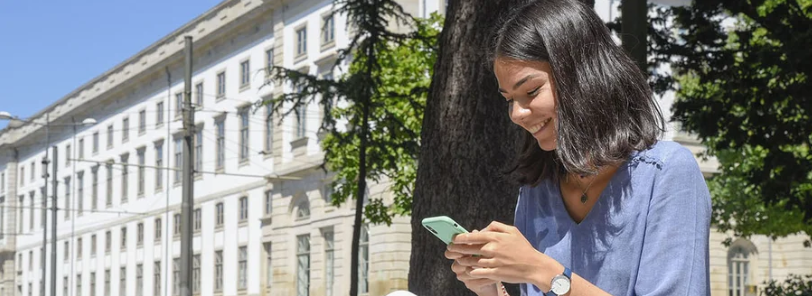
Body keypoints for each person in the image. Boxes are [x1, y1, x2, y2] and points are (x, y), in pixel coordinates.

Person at [443, 0, 712, 295]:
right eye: (509, 99)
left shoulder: (667, 174)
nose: (517, 114)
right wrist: (490, 288)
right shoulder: (537, 190)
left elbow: (543, 275)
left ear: (582, 77)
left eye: (531, 91)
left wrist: (540, 269)